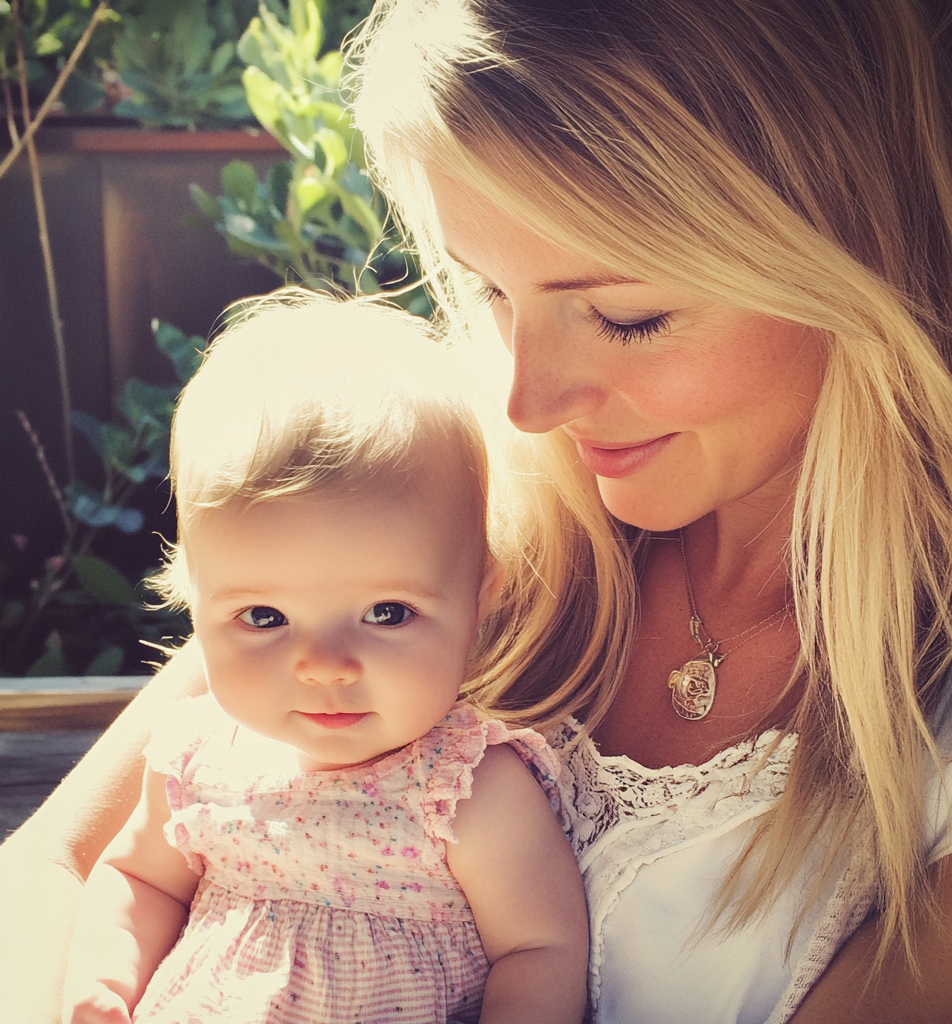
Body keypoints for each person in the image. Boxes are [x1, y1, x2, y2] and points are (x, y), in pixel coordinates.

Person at [2, 0, 952, 1021]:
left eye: (628, 319)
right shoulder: (430, 502)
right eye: (491, 289)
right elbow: (50, 874)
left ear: (883, 258)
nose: (526, 402)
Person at [59, 295, 589, 1024]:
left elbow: (539, 948)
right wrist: (105, 982)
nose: (324, 665)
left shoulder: (465, 787)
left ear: (478, 596)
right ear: (194, 597)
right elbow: (137, 880)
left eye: (387, 613)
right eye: (264, 617)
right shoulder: (194, 761)